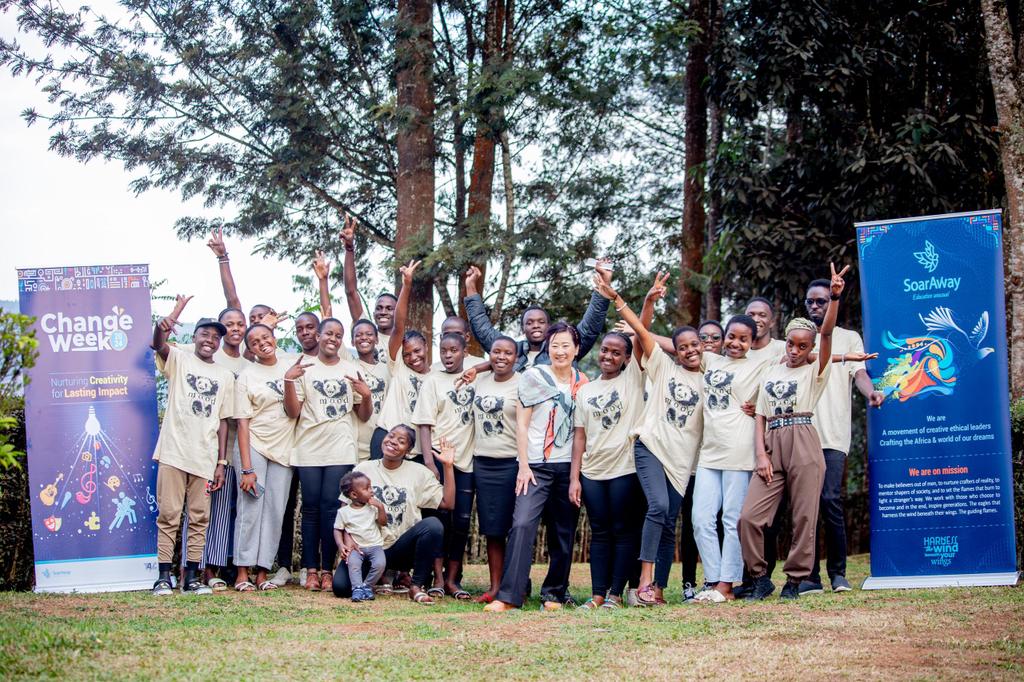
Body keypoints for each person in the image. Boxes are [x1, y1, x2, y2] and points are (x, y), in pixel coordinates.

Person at [740, 264, 866, 600]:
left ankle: (795, 580)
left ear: (811, 349)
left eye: (802, 347)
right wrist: (761, 454)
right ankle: (759, 576)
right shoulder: (770, 369)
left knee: (805, 515)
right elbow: (759, 415)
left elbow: (826, 335)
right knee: (749, 517)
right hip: (772, 442)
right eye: (791, 345)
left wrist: (835, 297)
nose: (794, 351)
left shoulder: (817, 370)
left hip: (804, 438)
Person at [598, 273, 705, 606]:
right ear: (674, 350)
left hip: (682, 459)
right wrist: (631, 301)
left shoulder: (710, 379)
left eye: (694, 345)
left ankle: (657, 588)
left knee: (669, 521)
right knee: (657, 506)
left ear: (702, 347)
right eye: (682, 346)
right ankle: (643, 584)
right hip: (651, 446)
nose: (689, 351)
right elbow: (642, 332)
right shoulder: (663, 367)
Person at [484, 322, 589, 612]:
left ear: (576, 349)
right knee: (521, 524)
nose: (560, 351)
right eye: (554, 345)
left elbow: (581, 433)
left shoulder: (583, 383)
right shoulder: (533, 376)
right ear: (547, 349)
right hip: (535, 467)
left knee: (563, 531)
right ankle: (509, 597)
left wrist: (575, 476)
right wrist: (524, 465)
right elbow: (522, 424)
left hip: (567, 465)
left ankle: (553, 594)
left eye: (566, 345)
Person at [800, 277, 885, 595]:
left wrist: (871, 393)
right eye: (810, 301)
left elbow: (859, 373)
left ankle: (838, 574)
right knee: (806, 506)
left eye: (821, 300)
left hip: (833, 435)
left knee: (830, 501)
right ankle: (809, 577)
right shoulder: (798, 337)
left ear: (834, 302)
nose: (815, 306)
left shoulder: (849, 338)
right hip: (801, 434)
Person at [150, 297, 234, 596]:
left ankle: (192, 576)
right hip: (174, 451)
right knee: (169, 514)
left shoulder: (225, 376)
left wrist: (221, 462)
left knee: (199, 517)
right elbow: (157, 343)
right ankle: (163, 576)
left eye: (215, 337)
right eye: (205, 335)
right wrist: (172, 316)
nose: (210, 340)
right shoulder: (180, 359)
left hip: (205, 456)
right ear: (194, 337)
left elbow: (224, 421)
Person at [283, 318, 373, 592]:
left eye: (339, 335)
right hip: (309, 448)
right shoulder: (305, 367)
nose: (333, 338)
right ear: (319, 336)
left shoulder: (351, 368)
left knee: (332, 509)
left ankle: (327, 570)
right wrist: (289, 380)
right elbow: (293, 412)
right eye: (328, 333)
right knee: (310, 508)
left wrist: (366, 395)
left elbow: (363, 414)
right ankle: (310, 570)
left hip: (341, 447)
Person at [691, 314, 769, 603]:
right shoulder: (710, 360)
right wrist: (638, 328)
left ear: (752, 341)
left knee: (731, 519)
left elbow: (803, 356)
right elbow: (674, 344)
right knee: (700, 518)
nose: (736, 343)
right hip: (709, 452)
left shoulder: (760, 365)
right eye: (732, 337)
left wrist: (846, 356)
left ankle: (726, 584)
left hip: (739, 450)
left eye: (743, 339)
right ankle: (712, 580)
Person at [332, 426, 457, 605]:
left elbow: (448, 503)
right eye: (391, 436)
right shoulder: (364, 468)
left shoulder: (419, 472)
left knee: (433, 525)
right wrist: (347, 538)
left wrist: (448, 466)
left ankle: (416, 586)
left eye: (401, 441)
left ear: (409, 450)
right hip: (368, 547)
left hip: (401, 548)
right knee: (342, 588)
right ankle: (378, 577)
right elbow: (345, 509)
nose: (393, 442)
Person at [569, 328, 645, 609]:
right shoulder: (585, 391)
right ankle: (597, 594)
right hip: (592, 472)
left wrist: (635, 317)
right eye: (605, 350)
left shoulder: (633, 380)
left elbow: (642, 340)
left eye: (616, 352)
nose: (608, 356)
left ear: (627, 358)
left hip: (625, 469)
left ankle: (615, 593)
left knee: (623, 531)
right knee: (599, 532)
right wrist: (574, 477)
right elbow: (580, 436)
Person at [412, 331, 477, 600]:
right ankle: (437, 577)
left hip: (466, 461)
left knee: (461, 522)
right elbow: (424, 423)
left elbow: (502, 360)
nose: (448, 355)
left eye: (454, 350)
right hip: (438, 458)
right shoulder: (432, 381)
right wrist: (429, 460)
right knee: (437, 519)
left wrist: (479, 367)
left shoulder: (477, 376)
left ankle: (453, 579)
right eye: (444, 351)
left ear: (465, 351)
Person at [232, 324, 296, 591]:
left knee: (274, 512)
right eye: (255, 341)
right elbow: (243, 424)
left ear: (274, 338)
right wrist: (247, 468)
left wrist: (290, 380)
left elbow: (294, 412)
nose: (262, 343)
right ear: (250, 348)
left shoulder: (290, 366)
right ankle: (242, 572)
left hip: (284, 449)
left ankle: (262, 571)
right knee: (251, 509)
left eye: (265, 337)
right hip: (254, 447)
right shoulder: (247, 376)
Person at [463, 262, 612, 372]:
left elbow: (590, 326)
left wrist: (604, 283)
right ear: (523, 328)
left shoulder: (563, 351)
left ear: (549, 327)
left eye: (541, 322)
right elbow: (482, 329)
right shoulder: (511, 351)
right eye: (530, 322)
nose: (536, 325)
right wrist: (470, 286)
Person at [464, 336, 520, 603]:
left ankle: (516, 583)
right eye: (496, 352)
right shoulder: (480, 381)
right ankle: (495, 586)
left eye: (508, 353)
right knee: (492, 529)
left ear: (516, 358)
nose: (501, 357)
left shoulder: (522, 383)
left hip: (512, 463)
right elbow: (477, 369)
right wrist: (479, 369)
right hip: (483, 462)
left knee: (515, 527)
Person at [372, 260, 429, 461]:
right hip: (388, 435)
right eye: (407, 354)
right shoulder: (399, 368)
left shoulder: (436, 377)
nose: (413, 358)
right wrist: (407, 285)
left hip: (418, 447)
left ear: (426, 347)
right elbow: (399, 325)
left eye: (417, 351)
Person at [340, 214, 397, 363]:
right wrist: (349, 249)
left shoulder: (404, 340)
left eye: (389, 308)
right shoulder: (366, 331)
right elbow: (351, 292)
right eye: (379, 308)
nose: (383, 312)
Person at [334, 471, 388, 602]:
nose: (371, 491)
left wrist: (380, 507)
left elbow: (383, 522)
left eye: (370, 487)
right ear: (354, 494)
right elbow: (337, 529)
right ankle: (357, 588)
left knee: (380, 564)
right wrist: (341, 545)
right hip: (356, 548)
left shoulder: (372, 508)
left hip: (375, 546)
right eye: (367, 488)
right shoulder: (343, 512)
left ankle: (367, 586)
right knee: (353, 565)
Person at [351, 319, 391, 462]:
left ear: (376, 339)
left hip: (383, 440)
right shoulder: (350, 367)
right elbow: (362, 416)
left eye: (369, 334)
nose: (364, 337)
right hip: (358, 443)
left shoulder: (387, 369)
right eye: (358, 335)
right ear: (352, 341)